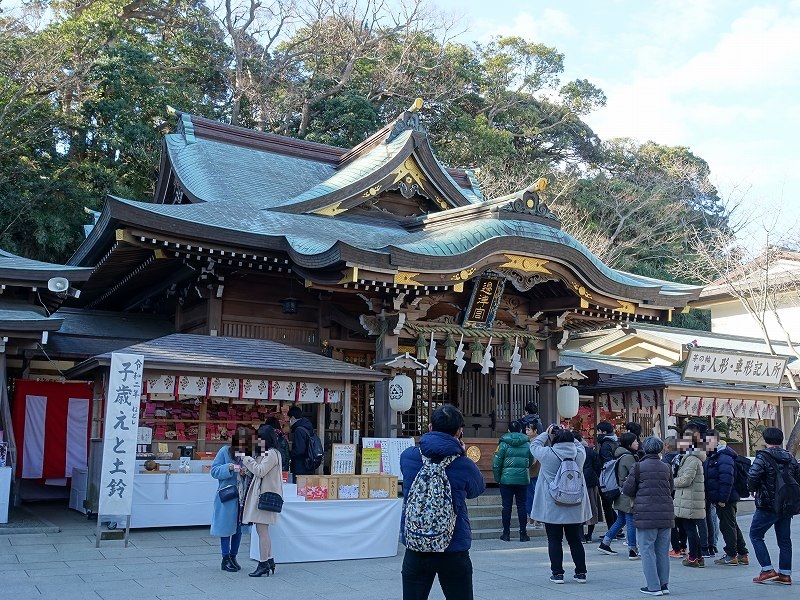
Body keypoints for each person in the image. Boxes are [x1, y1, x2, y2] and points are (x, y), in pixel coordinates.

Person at [400, 405, 485, 600]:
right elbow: (476, 490)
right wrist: (461, 455)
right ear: (459, 431)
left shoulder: (408, 457)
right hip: (453, 546)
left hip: (416, 544)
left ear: (430, 427)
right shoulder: (463, 464)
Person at [529, 426, 592, 584]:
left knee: (554, 540)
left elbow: (534, 445)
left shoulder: (547, 454)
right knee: (575, 540)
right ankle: (581, 573)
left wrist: (546, 432)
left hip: (553, 505)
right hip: (575, 504)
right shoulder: (579, 454)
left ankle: (557, 574)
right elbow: (579, 444)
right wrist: (570, 433)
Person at [747, 426, 800, 585]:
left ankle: (767, 569)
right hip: (787, 503)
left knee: (755, 535)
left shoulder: (763, 457)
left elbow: (753, 476)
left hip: (767, 504)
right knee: (784, 540)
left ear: (765, 440)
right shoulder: (790, 457)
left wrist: (752, 489)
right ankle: (785, 574)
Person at [623, 436, 674, 596]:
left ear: (645, 449)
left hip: (645, 514)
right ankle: (664, 584)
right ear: (660, 449)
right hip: (665, 514)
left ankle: (653, 586)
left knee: (646, 550)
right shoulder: (666, 467)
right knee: (662, 551)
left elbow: (628, 490)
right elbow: (671, 488)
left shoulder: (638, 467)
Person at [242, 423, 283, 577]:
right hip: (265, 496)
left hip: (264, 497)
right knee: (263, 531)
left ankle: (263, 563)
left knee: (262, 532)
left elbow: (260, 471)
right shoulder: (271, 452)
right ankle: (270, 560)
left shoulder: (271, 454)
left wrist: (246, 459)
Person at [705, 432, 749, 566]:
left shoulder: (723, 457)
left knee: (727, 525)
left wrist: (722, 499)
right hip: (721, 497)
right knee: (731, 524)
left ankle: (731, 554)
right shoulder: (715, 456)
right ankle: (742, 553)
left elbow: (726, 480)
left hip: (725, 498)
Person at [210, 426, 248, 572]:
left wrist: (247, 472)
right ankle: (225, 558)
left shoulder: (248, 455)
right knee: (225, 527)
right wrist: (230, 467)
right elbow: (214, 471)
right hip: (227, 495)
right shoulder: (225, 451)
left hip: (242, 496)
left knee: (239, 528)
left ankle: (233, 556)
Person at [598, 432, 640, 559]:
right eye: (635, 441)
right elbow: (637, 475)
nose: (637, 443)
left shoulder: (620, 455)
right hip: (628, 495)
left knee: (621, 520)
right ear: (629, 444)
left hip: (620, 493)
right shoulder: (628, 457)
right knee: (631, 522)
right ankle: (632, 549)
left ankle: (605, 543)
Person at [493, 420, 534, 542]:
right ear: (521, 430)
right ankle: (523, 533)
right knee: (522, 506)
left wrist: (498, 478)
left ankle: (506, 534)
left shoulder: (503, 444)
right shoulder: (527, 444)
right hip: (522, 479)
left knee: (506, 507)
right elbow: (531, 461)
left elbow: (496, 463)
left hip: (506, 480)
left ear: (509, 430)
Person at [673, 425, 707, 568]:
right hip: (689, 498)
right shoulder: (691, 456)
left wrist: (671, 482)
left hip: (689, 498)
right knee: (691, 528)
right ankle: (698, 557)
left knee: (690, 529)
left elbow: (686, 479)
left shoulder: (692, 458)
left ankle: (693, 557)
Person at [520, 402, 544, 529]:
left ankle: (532, 519)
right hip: (540, 470)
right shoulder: (540, 424)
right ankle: (538, 519)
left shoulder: (531, 442)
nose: (526, 431)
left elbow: (532, 460)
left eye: (528, 429)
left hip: (531, 470)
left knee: (530, 494)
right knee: (537, 494)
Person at [575, 431, 602, 544]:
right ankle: (589, 536)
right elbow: (598, 466)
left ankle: (581, 536)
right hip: (591, 482)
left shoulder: (572, 452)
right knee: (592, 508)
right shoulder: (590, 451)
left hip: (577, 484)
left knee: (579, 510)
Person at [662, 437, 687, 558]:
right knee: (681, 521)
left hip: (670, 491)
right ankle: (683, 547)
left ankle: (676, 548)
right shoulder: (682, 457)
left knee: (672, 522)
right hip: (681, 492)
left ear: (667, 446)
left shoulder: (666, 459)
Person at [596, 421, 620, 533]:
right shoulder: (615, 442)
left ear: (604, 432)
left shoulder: (605, 445)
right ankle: (616, 530)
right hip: (615, 477)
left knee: (607, 505)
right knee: (611, 505)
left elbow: (606, 463)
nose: (597, 433)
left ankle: (612, 531)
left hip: (607, 478)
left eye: (598, 431)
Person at [702, 430, 721, 557]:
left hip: (714, 491)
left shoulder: (719, 455)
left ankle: (712, 544)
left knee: (711, 517)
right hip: (708, 490)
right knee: (710, 517)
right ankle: (712, 544)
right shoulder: (708, 454)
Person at [287, 405, 315, 476]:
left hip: (300, 464)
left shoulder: (298, 430)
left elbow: (299, 450)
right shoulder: (307, 426)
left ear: (292, 418)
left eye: (289, 418)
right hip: (308, 462)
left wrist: (290, 453)